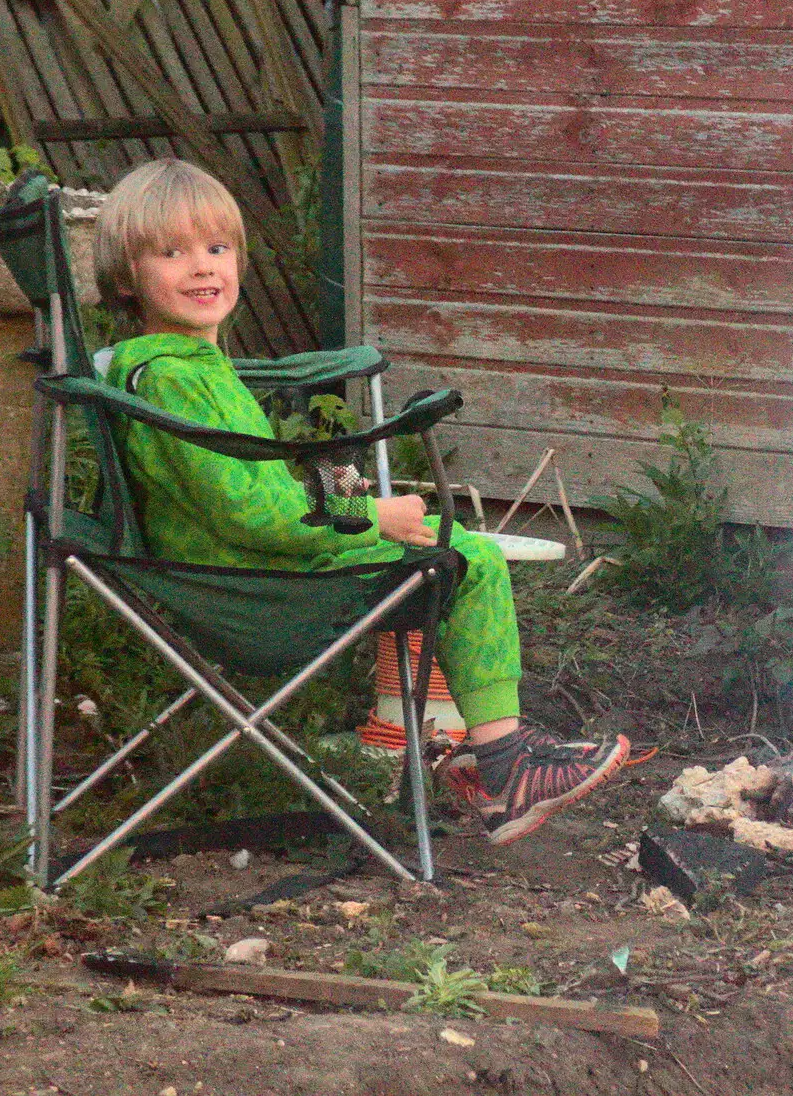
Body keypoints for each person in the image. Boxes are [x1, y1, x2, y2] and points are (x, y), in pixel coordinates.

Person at [93, 158, 629, 844]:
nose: (201, 268)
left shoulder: (180, 366)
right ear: (124, 277)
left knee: (444, 541)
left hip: (242, 563)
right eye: (171, 253)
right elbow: (253, 516)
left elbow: (247, 492)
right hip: (257, 584)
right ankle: (503, 769)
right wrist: (370, 517)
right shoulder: (176, 380)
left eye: (216, 248)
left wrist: (338, 496)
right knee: (464, 556)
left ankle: (495, 763)